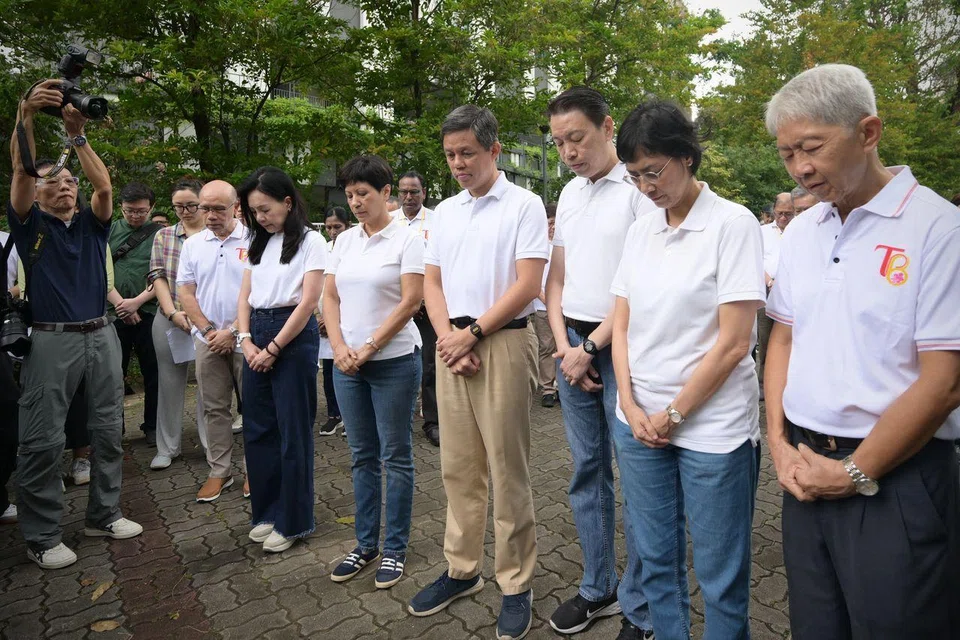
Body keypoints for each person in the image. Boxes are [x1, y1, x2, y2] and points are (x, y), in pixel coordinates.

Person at [765, 63, 960, 639]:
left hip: (895, 481)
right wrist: (777, 442)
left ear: (868, 132)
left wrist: (855, 471)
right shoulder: (803, 231)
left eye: (813, 148)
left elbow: (944, 380)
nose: (801, 168)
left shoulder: (938, 230)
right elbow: (784, 337)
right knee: (817, 626)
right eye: (786, 153)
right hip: (804, 471)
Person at [611, 99, 765, 639]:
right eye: (634, 176)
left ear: (687, 157)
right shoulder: (641, 231)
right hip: (640, 423)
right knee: (655, 559)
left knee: (721, 575)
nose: (646, 187)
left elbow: (733, 343)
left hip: (713, 427)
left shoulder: (732, 224)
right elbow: (622, 324)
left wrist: (673, 414)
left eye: (654, 171)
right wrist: (630, 407)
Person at [408, 105, 547, 640]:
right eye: (450, 155)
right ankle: (462, 569)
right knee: (459, 468)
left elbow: (528, 283)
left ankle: (516, 582)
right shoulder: (444, 212)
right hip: (452, 347)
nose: (458, 163)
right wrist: (449, 338)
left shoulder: (524, 205)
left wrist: (475, 334)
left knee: (509, 471)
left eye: (467, 152)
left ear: (493, 149)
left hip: (504, 343)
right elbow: (432, 283)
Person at [9, 80, 143, 569]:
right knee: (42, 439)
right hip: (51, 340)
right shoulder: (29, 225)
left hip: (101, 332)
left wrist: (77, 136)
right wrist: (25, 118)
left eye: (69, 182)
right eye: (54, 182)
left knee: (108, 427)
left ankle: (103, 513)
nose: (65, 186)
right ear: (37, 194)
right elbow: (21, 172)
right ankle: (42, 535)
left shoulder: (93, 223)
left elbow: (104, 187)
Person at [543, 86, 655, 639]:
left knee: (636, 476)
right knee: (587, 472)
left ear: (608, 127)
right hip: (573, 348)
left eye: (577, 138)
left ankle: (643, 601)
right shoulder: (568, 195)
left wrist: (591, 349)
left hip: (623, 347)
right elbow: (556, 278)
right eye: (560, 141)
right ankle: (598, 586)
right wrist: (567, 347)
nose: (569, 151)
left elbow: (636, 285)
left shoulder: (638, 192)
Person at [325, 155, 424, 588]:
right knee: (361, 456)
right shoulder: (343, 241)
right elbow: (329, 298)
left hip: (394, 364)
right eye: (349, 195)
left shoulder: (409, 238)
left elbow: (410, 302)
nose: (356, 202)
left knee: (395, 456)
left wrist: (368, 347)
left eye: (363, 193)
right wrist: (342, 348)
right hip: (347, 366)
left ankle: (395, 548)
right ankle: (365, 544)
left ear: (386, 192)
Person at [236, 167, 325, 553]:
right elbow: (245, 295)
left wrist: (273, 348)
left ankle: (295, 521)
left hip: (292, 336)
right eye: (254, 212)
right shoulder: (257, 243)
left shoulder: (312, 241)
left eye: (266, 209)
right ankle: (268, 512)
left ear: (288, 203)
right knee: (258, 430)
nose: (261, 218)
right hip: (255, 333)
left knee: (293, 432)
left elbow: (308, 302)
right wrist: (246, 341)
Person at [177, 180, 249, 503]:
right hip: (207, 339)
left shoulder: (253, 240)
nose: (210, 215)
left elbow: (258, 290)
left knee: (255, 408)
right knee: (214, 408)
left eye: (219, 208)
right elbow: (185, 292)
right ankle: (220, 471)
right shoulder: (193, 245)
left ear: (236, 207)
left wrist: (232, 330)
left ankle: (255, 470)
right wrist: (207, 331)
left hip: (245, 338)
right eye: (205, 208)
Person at [147, 178, 209, 470]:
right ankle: (167, 447)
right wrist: (172, 313)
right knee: (169, 384)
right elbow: (157, 276)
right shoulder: (164, 236)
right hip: (170, 319)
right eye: (177, 206)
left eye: (190, 205)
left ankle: (212, 444)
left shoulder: (215, 235)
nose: (184, 211)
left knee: (210, 384)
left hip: (208, 323)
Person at [109, 182, 162, 446]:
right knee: (112, 374)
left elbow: (164, 274)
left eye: (141, 211)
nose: (135, 216)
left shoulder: (161, 235)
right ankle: (114, 428)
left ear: (152, 208)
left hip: (149, 312)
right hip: (112, 313)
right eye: (130, 210)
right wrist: (122, 305)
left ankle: (153, 425)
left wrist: (137, 303)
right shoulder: (108, 230)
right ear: (121, 207)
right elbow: (99, 270)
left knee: (153, 371)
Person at [393, 170, 440, 446]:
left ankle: (432, 421)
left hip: (428, 306)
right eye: (404, 192)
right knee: (397, 361)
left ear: (424, 192)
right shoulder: (388, 222)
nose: (408, 197)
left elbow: (440, 263)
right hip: (396, 306)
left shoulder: (436, 222)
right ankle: (399, 419)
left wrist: (422, 299)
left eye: (414, 191)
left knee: (430, 363)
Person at [317, 206, 352, 436]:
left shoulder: (352, 247)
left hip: (347, 319)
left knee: (349, 370)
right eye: (328, 227)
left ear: (347, 226)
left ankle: (350, 417)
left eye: (337, 227)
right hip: (323, 320)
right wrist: (319, 317)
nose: (332, 231)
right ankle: (334, 415)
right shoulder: (323, 249)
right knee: (329, 372)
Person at [756, 192, 795, 397]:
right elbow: (755, 259)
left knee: (790, 339)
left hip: (793, 293)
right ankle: (763, 382)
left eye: (788, 214)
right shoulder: (761, 232)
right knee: (765, 338)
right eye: (780, 213)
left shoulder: (800, 230)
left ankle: (787, 382)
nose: (783, 218)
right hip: (766, 291)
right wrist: (770, 281)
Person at [533, 203, 557, 409]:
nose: (553, 227)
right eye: (549, 222)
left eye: (556, 223)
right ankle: (548, 388)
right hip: (543, 307)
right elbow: (533, 280)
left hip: (565, 308)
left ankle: (562, 385)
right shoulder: (538, 246)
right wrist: (546, 300)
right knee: (547, 347)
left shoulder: (564, 246)